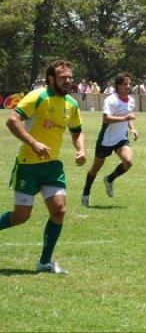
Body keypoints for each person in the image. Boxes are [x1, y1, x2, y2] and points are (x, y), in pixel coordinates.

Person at [1, 60, 85, 274]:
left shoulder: (71, 104)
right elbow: (13, 121)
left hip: (52, 167)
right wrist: (33, 142)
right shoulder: (38, 96)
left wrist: (81, 149)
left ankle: (45, 262)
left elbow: (77, 131)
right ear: (51, 79)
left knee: (59, 211)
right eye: (63, 77)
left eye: (70, 77)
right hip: (28, 165)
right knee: (21, 216)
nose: (68, 81)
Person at [81, 72, 138, 206]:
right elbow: (106, 119)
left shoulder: (131, 100)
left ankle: (110, 179)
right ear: (118, 85)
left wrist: (132, 128)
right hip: (106, 140)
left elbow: (128, 116)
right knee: (95, 169)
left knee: (128, 162)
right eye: (125, 84)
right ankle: (86, 192)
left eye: (130, 84)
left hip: (121, 139)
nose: (128, 86)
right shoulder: (111, 100)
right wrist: (124, 119)